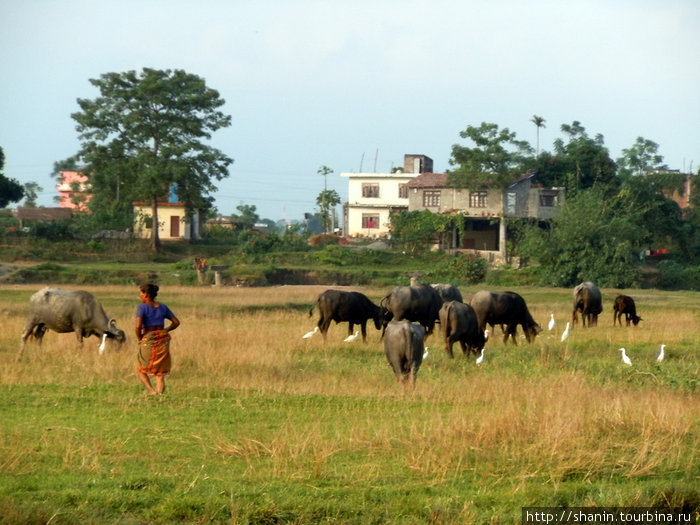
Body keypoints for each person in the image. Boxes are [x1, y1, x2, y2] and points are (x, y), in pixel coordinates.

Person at [135, 283, 180, 395]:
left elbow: (138, 326)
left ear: (146, 294)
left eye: (141, 293)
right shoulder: (163, 307)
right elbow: (176, 322)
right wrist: (166, 330)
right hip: (162, 338)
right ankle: (159, 395)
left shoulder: (142, 307)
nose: (140, 295)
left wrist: (140, 337)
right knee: (160, 373)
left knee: (141, 369)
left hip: (149, 338)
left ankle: (151, 391)